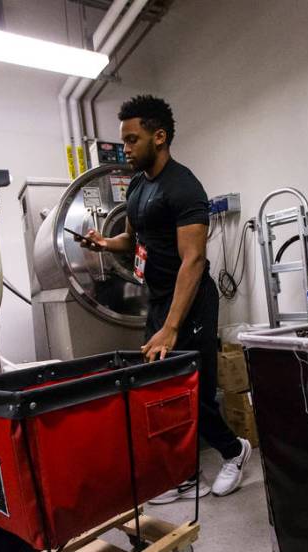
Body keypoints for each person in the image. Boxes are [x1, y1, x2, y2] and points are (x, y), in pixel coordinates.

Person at [77, 95, 251, 501]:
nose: (126, 149)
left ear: (160, 137)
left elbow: (193, 261)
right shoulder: (138, 185)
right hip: (158, 299)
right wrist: (106, 243)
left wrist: (172, 327)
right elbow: (136, 240)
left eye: (132, 140)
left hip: (189, 302)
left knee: (192, 389)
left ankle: (233, 451)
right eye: (123, 141)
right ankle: (184, 472)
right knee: (163, 388)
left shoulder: (184, 187)